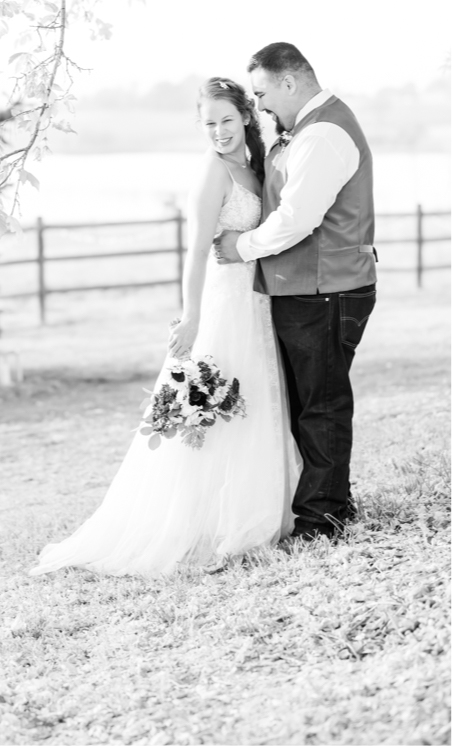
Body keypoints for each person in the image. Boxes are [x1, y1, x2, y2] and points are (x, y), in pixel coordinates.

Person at [30, 76, 300, 576]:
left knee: (255, 402)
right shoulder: (213, 171)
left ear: (245, 116)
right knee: (215, 409)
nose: (218, 131)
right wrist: (191, 317)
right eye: (208, 123)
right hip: (224, 303)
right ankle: (199, 524)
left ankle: (250, 511)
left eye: (226, 120)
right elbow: (196, 252)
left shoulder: (253, 166)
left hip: (257, 302)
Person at [213, 43, 375, 541]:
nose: (260, 105)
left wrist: (242, 247)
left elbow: (297, 219)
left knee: (320, 405)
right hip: (310, 289)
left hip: (325, 289)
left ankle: (321, 520)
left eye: (262, 94)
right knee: (309, 403)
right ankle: (333, 504)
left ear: (289, 82)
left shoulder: (323, 134)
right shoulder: (307, 130)